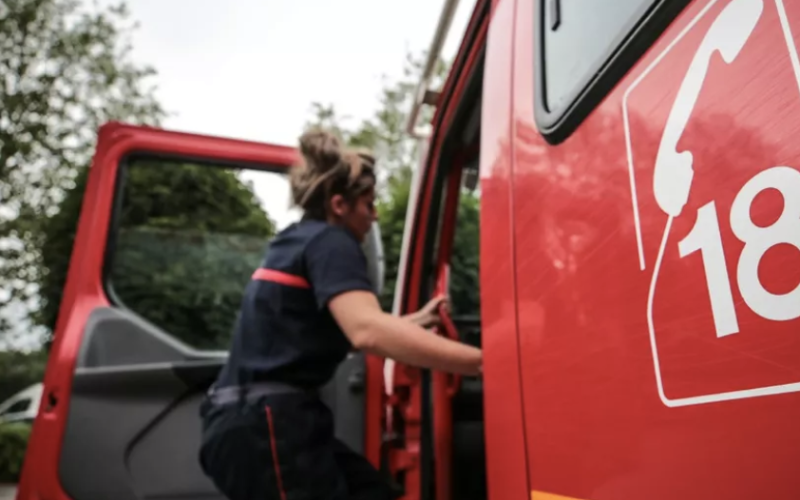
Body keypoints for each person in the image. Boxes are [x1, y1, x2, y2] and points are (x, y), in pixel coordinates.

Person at [198, 128, 483, 500]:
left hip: (253, 420)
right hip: (265, 426)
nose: (375, 215)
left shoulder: (297, 239)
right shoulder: (332, 242)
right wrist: (483, 363)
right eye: (368, 203)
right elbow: (366, 331)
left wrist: (414, 323)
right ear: (339, 205)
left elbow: (348, 326)